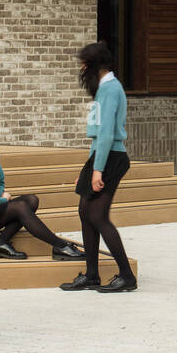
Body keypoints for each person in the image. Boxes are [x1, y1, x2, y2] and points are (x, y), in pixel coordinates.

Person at [0, 106, 85, 261]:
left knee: (31, 200)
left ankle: (0, 243)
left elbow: (0, 181)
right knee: (20, 207)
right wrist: (2, 200)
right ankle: (60, 246)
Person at [61, 41, 136, 293]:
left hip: (111, 157)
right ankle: (92, 275)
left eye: (83, 63)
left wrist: (97, 170)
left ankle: (127, 276)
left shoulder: (111, 89)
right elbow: (99, 138)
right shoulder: (105, 87)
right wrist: (90, 167)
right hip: (101, 156)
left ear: (92, 65)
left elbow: (105, 134)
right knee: (85, 212)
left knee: (97, 215)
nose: (81, 68)